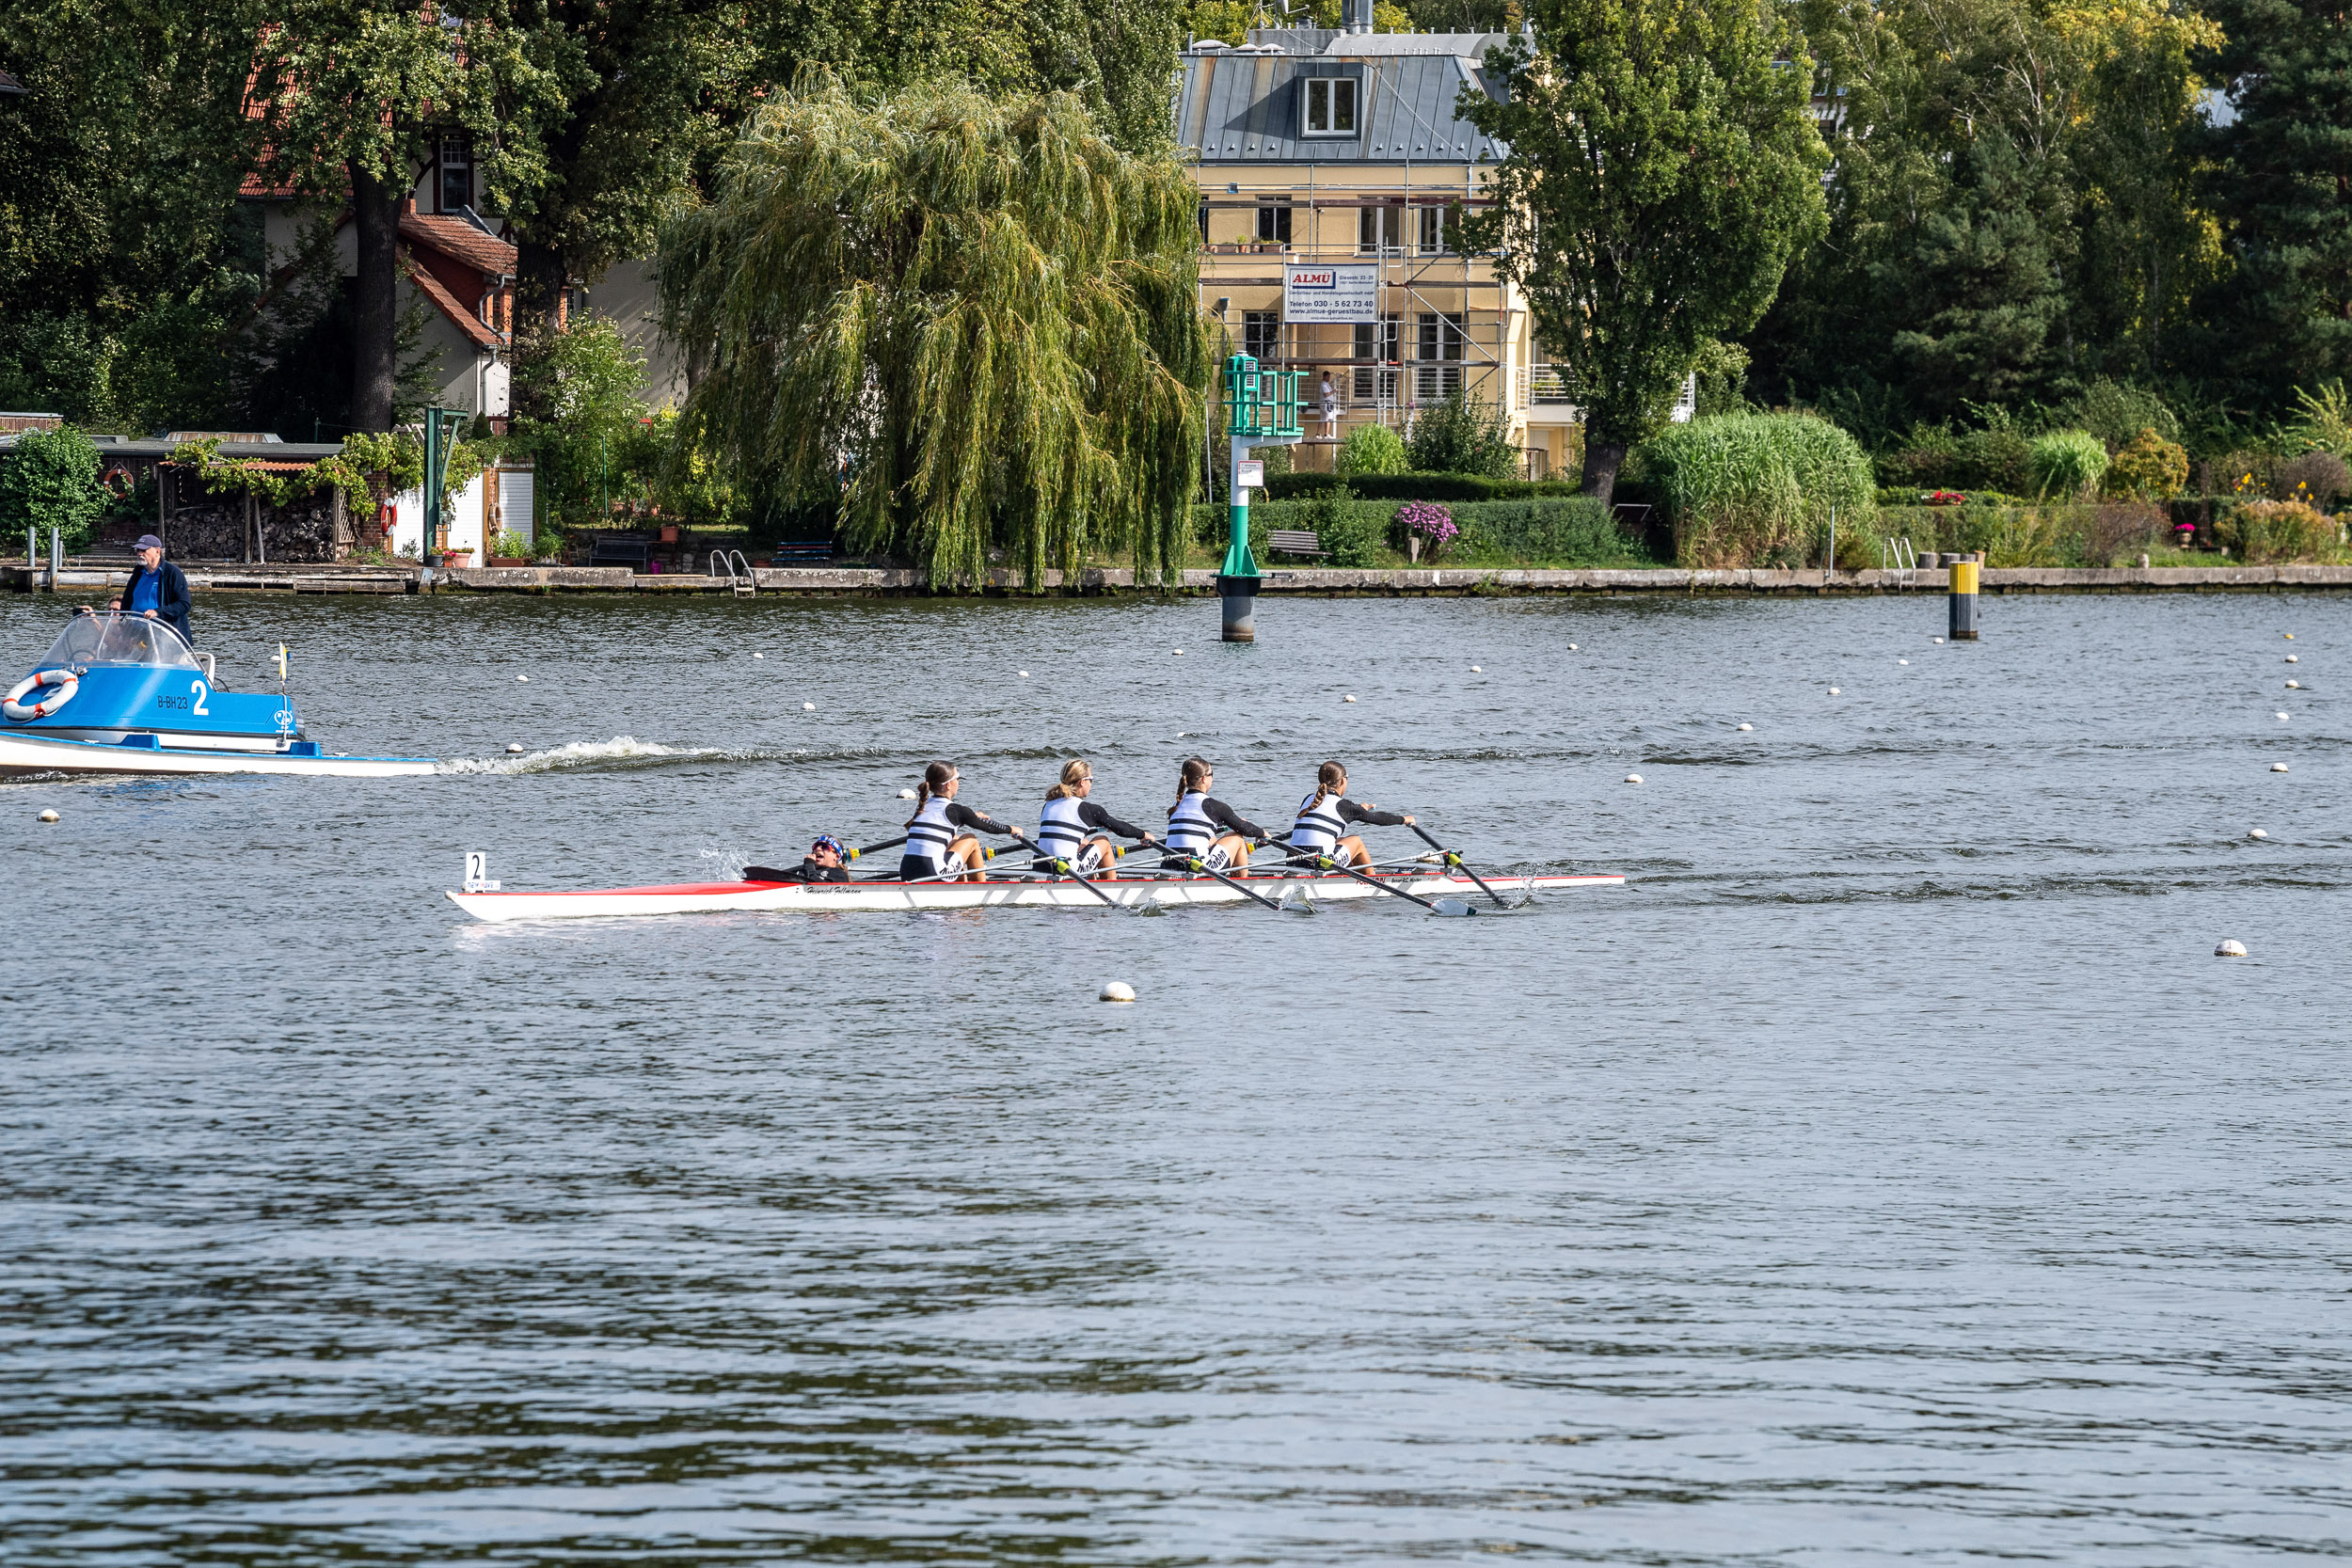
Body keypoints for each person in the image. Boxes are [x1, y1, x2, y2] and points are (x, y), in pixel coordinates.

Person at [900, 762, 1027, 881]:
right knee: (971, 839)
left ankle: (962, 883)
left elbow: (943, 823)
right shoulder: (956, 810)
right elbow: (988, 827)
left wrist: (971, 817)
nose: (958, 783)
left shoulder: (922, 807)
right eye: (957, 779)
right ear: (948, 785)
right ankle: (980, 889)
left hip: (906, 871)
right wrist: (1011, 829)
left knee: (955, 839)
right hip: (934, 872)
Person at [1034, 759, 1157, 878]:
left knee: (1084, 842)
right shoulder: (1087, 809)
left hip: (1039, 866)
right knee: (1103, 841)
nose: (1091, 784)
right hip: (1066, 869)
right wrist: (1143, 835)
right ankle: (1111, 887)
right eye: (1091, 780)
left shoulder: (1048, 804)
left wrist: (1101, 823)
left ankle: (1093, 880)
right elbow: (1121, 829)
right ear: (1082, 782)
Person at [1288, 759, 1415, 869]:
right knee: (1356, 841)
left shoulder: (1308, 799)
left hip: (1292, 860)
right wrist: (1404, 819)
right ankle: (1371, 882)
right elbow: (1378, 819)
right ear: (1342, 781)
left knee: (1339, 841)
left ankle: (1349, 876)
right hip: (1320, 863)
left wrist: (1358, 809)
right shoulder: (1345, 806)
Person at [1161, 756, 1268, 873]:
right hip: (1198, 867)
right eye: (1211, 774)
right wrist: (1263, 833)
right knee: (1237, 837)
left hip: (1168, 864)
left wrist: (1237, 824)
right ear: (1203, 779)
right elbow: (1246, 830)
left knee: (1211, 837)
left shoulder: (1176, 804)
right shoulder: (1213, 805)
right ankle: (1241, 884)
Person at [109, 535, 193, 645]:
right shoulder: (138, 572)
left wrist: (157, 612)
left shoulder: (172, 573)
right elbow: (127, 601)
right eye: (138, 550)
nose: (139, 553)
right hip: (137, 634)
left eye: (143, 550)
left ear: (157, 551)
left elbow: (184, 604)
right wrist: (124, 626)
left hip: (165, 637)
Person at [743, 834, 852, 884]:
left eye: (824, 847)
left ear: (836, 856)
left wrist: (809, 865)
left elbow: (816, 885)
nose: (818, 849)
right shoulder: (808, 869)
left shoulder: (839, 874)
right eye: (816, 846)